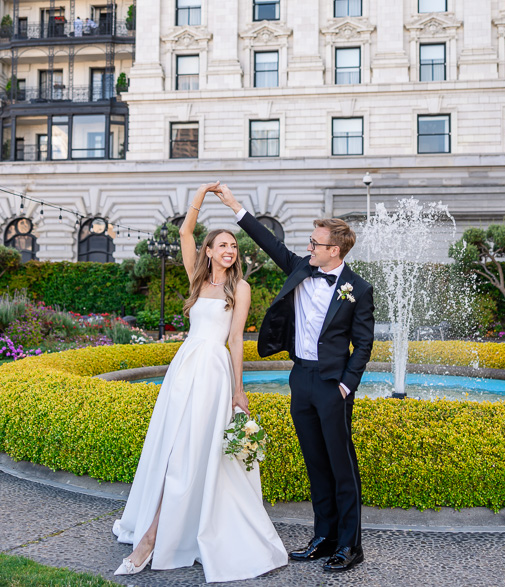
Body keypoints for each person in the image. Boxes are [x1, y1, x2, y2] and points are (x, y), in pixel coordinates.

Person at [112, 183, 288, 582]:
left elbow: (235, 339)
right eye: (222, 245)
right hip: (184, 368)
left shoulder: (238, 287)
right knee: (172, 448)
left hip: (212, 372)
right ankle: (158, 532)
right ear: (209, 251)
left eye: (234, 246)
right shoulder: (196, 275)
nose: (229, 250)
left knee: (191, 455)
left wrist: (239, 391)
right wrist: (201, 196)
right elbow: (184, 233)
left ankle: (152, 543)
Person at [215, 183, 374, 573]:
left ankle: (350, 546)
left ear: (334, 250)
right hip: (300, 378)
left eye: (315, 244)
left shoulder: (360, 290)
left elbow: (365, 345)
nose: (309, 248)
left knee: (342, 464)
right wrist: (236, 206)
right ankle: (323, 538)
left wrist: (345, 385)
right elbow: (270, 243)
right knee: (315, 462)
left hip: (332, 385)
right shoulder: (303, 268)